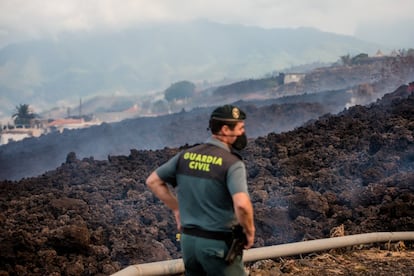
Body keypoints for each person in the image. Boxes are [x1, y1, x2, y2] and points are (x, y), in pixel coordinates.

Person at [146, 104, 255, 276]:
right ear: (225, 129)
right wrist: (249, 231)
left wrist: (176, 208)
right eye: (240, 128)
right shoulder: (232, 163)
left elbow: (153, 181)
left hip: (189, 244)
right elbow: (242, 204)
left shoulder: (185, 156)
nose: (242, 133)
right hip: (218, 246)